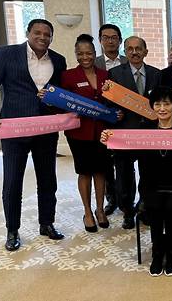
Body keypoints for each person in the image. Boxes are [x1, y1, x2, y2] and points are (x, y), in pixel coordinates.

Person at [101, 87, 172, 276]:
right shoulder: (144, 129)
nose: (162, 108)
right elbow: (128, 152)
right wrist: (110, 140)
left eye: (167, 104)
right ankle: (158, 253)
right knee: (155, 207)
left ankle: (171, 254)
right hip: (152, 184)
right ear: (152, 107)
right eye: (157, 104)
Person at [0, 19, 67, 251]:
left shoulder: (58, 60)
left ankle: (47, 223)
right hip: (14, 130)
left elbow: (61, 92)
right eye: (37, 33)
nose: (42, 37)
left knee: (48, 180)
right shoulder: (6, 54)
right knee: (12, 182)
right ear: (28, 33)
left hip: (45, 130)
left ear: (51, 37)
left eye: (47, 34)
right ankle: (12, 229)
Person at [105, 36, 161, 229]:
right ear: (125, 51)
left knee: (149, 173)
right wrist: (114, 113)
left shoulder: (156, 74)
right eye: (130, 49)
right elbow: (108, 104)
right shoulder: (114, 74)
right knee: (124, 176)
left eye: (138, 49)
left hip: (149, 133)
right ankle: (127, 212)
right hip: (125, 133)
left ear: (145, 52)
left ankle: (145, 207)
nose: (134, 52)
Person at [61, 34, 110, 232]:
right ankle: (87, 212)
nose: (85, 57)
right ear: (76, 54)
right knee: (84, 171)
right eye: (80, 53)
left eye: (88, 53)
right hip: (79, 132)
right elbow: (62, 102)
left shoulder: (106, 75)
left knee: (100, 171)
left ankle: (100, 210)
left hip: (101, 131)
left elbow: (111, 101)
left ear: (95, 53)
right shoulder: (68, 76)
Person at [94, 23, 127, 216]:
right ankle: (111, 198)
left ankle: (125, 200)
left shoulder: (127, 61)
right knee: (105, 164)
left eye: (114, 37)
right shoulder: (94, 63)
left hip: (125, 120)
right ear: (100, 40)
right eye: (106, 37)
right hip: (102, 120)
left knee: (124, 166)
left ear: (120, 40)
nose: (110, 40)